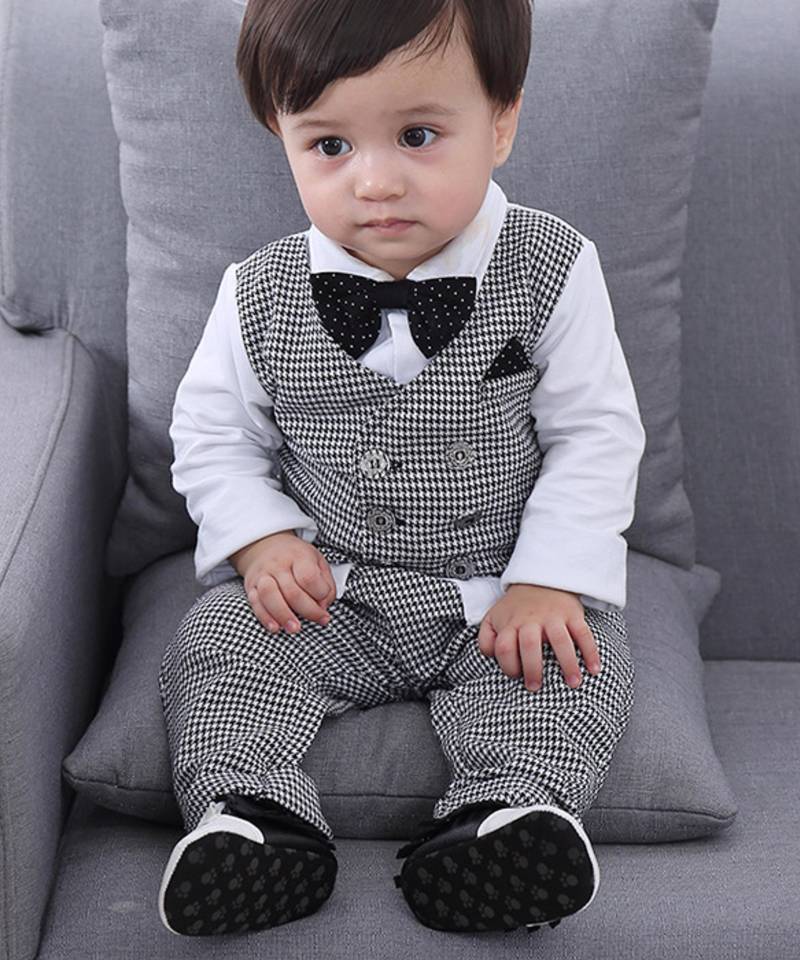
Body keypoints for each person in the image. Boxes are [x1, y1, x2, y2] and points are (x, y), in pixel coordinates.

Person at [157, 0, 647, 939]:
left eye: (418, 137)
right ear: (281, 136)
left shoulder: (551, 265)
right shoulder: (258, 291)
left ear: (500, 122)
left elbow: (596, 434)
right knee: (217, 644)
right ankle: (256, 822)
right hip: (334, 588)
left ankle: (504, 819)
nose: (375, 182)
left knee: (578, 662)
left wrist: (549, 579)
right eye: (329, 146)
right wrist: (262, 542)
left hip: (494, 590)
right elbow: (212, 434)